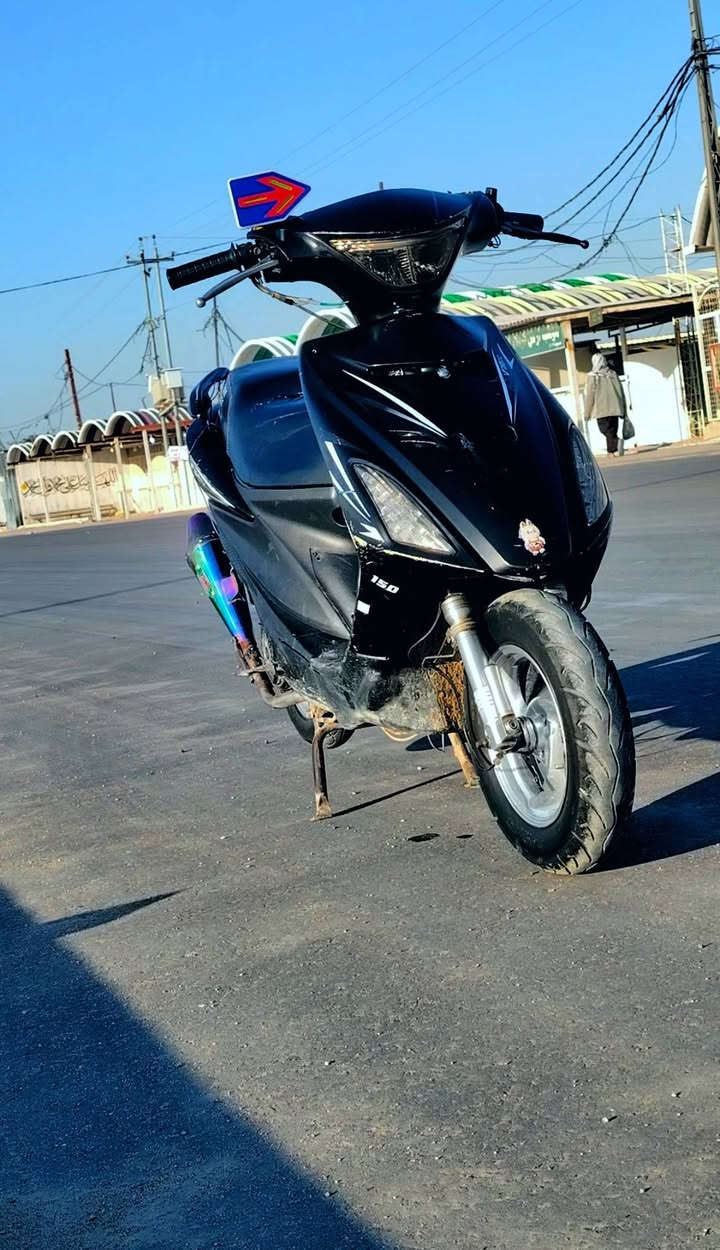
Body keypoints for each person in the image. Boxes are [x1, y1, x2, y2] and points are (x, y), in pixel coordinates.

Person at [584, 353, 627, 455]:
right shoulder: (613, 374)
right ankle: (613, 450)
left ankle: (614, 446)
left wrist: (587, 413)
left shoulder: (592, 376)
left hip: (601, 409)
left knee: (605, 430)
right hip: (615, 408)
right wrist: (623, 410)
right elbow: (621, 392)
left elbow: (590, 396)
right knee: (612, 430)